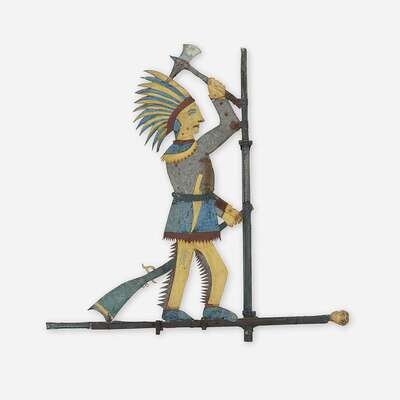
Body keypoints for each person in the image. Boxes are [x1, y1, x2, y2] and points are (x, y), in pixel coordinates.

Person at [135, 71, 241, 321]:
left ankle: (176, 308)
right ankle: (204, 307)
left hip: (186, 218)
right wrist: (219, 99)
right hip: (193, 220)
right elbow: (230, 126)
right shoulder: (196, 150)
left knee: (185, 268)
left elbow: (197, 192)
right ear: (180, 122)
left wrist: (225, 211)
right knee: (216, 270)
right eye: (193, 113)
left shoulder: (176, 153)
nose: (200, 118)